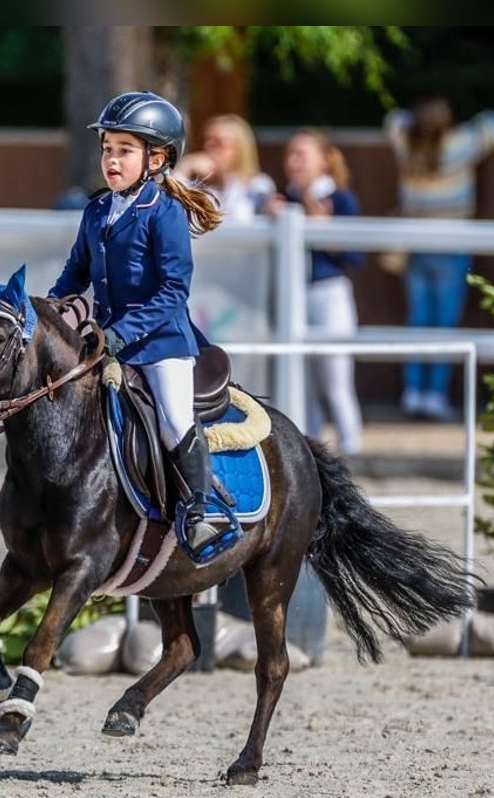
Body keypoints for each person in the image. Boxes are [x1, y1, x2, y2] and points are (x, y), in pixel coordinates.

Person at [48, 90, 240, 564]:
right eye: (108, 149)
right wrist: (53, 313)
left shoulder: (165, 212)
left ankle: (200, 509)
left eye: (124, 151)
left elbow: (174, 291)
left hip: (162, 344)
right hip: (108, 342)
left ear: (157, 159)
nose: (111, 160)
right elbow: (76, 273)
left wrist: (120, 334)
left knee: (174, 418)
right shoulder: (96, 211)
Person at [385, 97, 494, 421]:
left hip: (415, 245)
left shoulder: (407, 144)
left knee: (418, 320)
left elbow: (392, 119)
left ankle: (413, 391)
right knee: (444, 323)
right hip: (453, 245)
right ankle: (435, 394)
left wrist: (412, 123)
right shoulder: (461, 145)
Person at [264, 128, 364, 455]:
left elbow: (354, 256)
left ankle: (352, 446)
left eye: (301, 155)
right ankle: (311, 449)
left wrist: (321, 224)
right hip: (294, 294)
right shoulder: (284, 198)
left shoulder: (340, 198)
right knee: (300, 378)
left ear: (323, 160)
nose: (293, 163)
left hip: (328, 292)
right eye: (290, 155)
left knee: (335, 378)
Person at [175, 114, 275, 220]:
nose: (207, 147)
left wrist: (224, 176)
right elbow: (173, 208)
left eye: (218, 143)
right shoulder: (196, 187)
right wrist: (184, 167)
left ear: (239, 150)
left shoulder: (258, 185)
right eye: (206, 141)